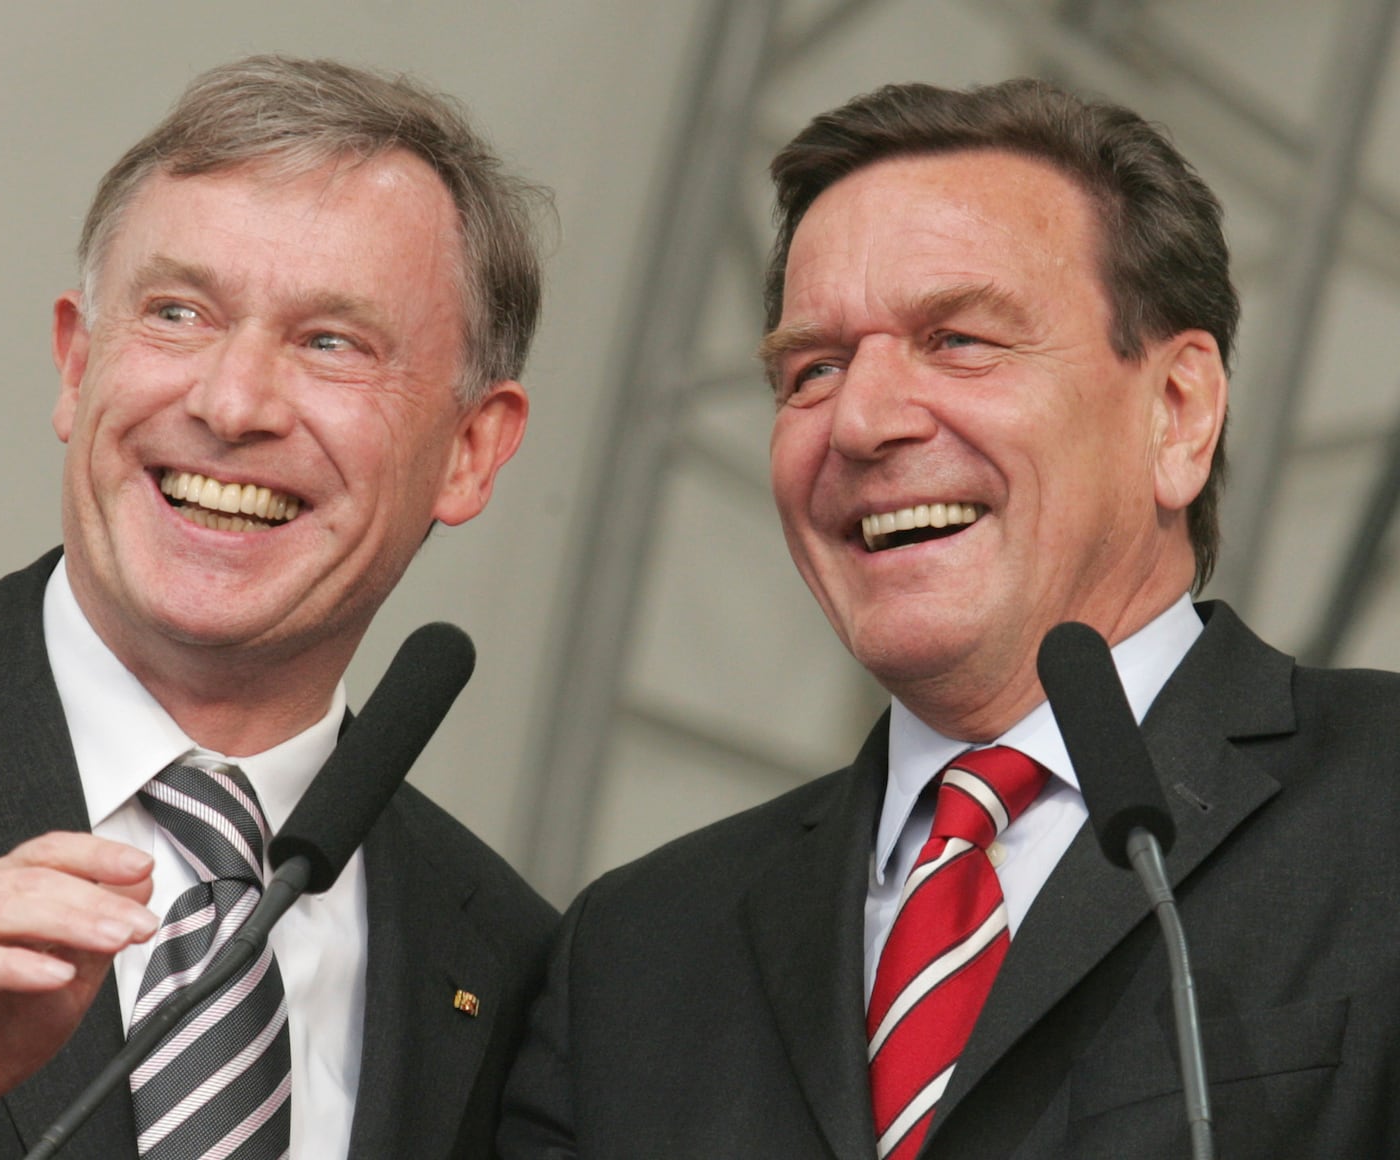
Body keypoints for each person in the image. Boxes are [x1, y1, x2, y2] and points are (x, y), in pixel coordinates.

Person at [498, 78, 1400, 1158]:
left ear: (1177, 412)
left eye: (960, 338)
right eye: (812, 368)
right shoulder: (633, 952)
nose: (864, 421)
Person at [0, 54, 557, 1160]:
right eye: (178, 312)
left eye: (330, 341)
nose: (231, 401)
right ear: (75, 363)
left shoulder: (519, 968)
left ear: (472, 449)